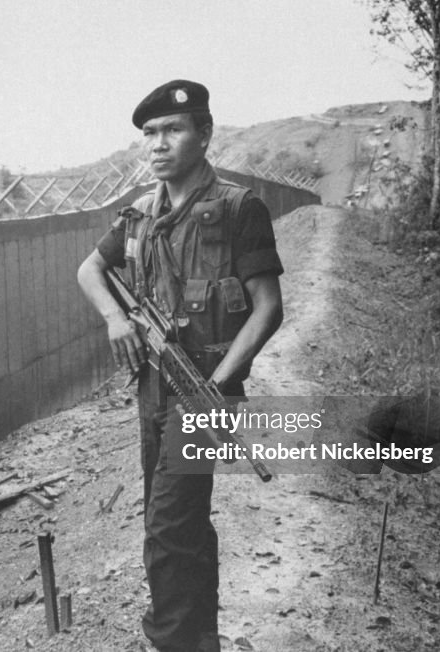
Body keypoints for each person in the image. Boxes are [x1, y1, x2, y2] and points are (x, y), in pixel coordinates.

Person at [77, 80, 284, 652]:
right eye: (150, 134)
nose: (158, 144)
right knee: (176, 524)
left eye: (173, 129)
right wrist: (116, 319)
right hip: (153, 390)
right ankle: (199, 642)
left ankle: (170, 642)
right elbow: (89, 270)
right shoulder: (139, 216)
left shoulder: (241, 209)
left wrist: (215, 388)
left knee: (168, 525)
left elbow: (268, 308)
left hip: (205, 393)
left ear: (205, 134)